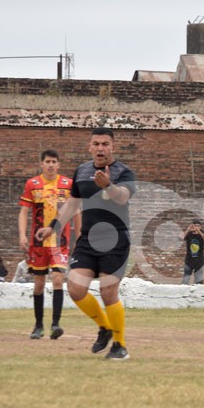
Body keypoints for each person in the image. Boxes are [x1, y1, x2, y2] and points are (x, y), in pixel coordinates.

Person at [36, 127, 136, 360]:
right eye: (96, 143)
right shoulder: (82, 171)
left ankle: (120, 346)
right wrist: (52, 226)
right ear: (89, 146)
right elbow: (72, 204)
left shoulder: (124, 172)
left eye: (105, 144)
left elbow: (122, 197)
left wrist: (108, 186)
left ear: (113, 146)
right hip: (88, 238)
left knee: (108, 291)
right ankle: (105, 327)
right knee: (75, 288)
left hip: (116, 238)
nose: (100, 148)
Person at [18, 149, 80, 339]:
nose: (51, 165)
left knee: (58, 279)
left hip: (60, 242)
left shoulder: (68, 184)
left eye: (54, 161)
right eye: (48, 161)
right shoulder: (32, 184)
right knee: (38, 284)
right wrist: (22, 235)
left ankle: (55, 324)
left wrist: (79, 236)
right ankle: (38, 326)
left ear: (59, 165)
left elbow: (76, 212)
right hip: (38, 243)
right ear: (42, 164)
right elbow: (24, 212)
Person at [180, 219, 204, 284]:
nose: (196, 227)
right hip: (189, 260)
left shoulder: (202, 233)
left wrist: (199, 231)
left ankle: (199, 293)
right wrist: (188, 229)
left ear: (200, 227)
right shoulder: (189, 233)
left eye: (198, 226)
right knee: (185, 279)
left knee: (198, 280)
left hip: (199, 261)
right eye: (195, 226)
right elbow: (181, 238)